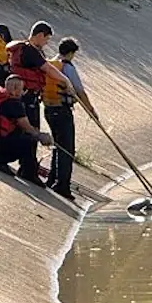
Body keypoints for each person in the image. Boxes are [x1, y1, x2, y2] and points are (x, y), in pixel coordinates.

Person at [7, 21, 75, 178]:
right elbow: (48, 69)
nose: (46, 43)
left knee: (26, 131)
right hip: (27, 98)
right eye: (46, 39)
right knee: (32, 132)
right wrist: (66, 81)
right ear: (39, 36)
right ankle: (28, 170)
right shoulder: (30, 51)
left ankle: (27, 167)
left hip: (25, 96)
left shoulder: (25, 49)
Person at [42, 37, 100, 202]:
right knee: (67, 149)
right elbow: (80, 91)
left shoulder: (50, 64)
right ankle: (62, 186)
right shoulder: (67, 67)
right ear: (72, 53)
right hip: (62, 111)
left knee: (58, 145)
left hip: (49, 108)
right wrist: (91, 111)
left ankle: (53, 179)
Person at [0, 75, 53, 183]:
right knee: (28, 140)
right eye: (22, 89)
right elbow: (27, 127)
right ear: (15, 89)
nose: (23, 92)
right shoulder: (13, 103)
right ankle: (3, 162)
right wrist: (42, 136)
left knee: (18, 132)